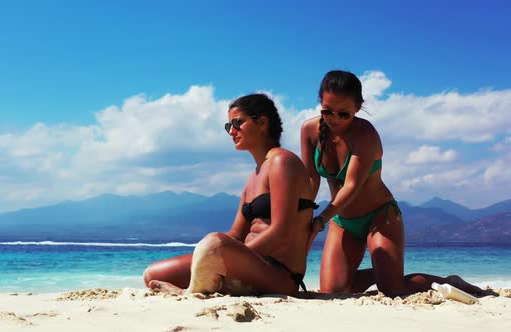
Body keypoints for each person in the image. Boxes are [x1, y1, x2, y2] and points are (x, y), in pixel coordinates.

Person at [300, 70, 486, 297]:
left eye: (344, 114)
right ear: (320, 103)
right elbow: (310, 180)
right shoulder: (309, 131)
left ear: (357, 108)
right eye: (328, 111)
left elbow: (351, 186)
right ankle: (385, 273)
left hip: (379, 216)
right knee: (334, 290)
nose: (335, 119)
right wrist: (300, 219)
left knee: (392, 289)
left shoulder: (366, 134)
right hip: (342, 219)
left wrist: (319, 222)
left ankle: (450, 282)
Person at [143, 93, 318, 296]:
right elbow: (236, 234)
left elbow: (281, 232)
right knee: (153, 274)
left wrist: (229, 255)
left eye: (237, 123)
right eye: (228, 127)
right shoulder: (253, 177)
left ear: (262, 122)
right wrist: (212, 254)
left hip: (279, 273)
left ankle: (192, 291)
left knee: (214, 244)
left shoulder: (282, 161)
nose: (231, 132)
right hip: (249, 263)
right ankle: (209, 282)